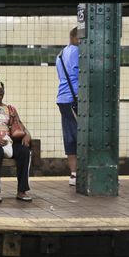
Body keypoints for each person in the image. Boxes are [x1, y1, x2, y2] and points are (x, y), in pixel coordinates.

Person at [56, 27, 79, 186]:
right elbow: (82, 74)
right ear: (77, 38)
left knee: (69, 135)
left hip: (62, 98)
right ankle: (81, 172)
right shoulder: (77, 52)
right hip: (75, 98)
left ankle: (74, 174)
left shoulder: (61, 54)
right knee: (82, 136)